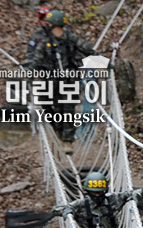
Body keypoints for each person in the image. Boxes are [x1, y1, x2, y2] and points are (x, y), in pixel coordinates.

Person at [22, 9, 95, 141]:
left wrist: (99, 61)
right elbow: (33, 56)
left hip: (68, 77)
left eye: (48, 20)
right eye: (43, 20)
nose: (46, 23)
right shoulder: (39, 38)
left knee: (68, 107)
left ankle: (66, 138)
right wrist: (30, 73)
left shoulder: (68, 36)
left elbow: (83, 49)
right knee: (48, 104)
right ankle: (57, 128)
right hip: (48, 76)